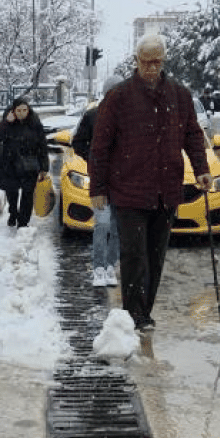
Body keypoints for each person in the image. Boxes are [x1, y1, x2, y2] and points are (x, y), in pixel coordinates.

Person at [89, 34, 214, 331]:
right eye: (146, 61)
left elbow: (193, 136)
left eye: (156, 61)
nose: (151, 67)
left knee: (156, 257)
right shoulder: (118, 97)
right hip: (129, 191)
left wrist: (202, 169)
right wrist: (98, 188)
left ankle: (145, 310)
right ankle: (134, 315)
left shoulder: (179, 96)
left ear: (164, 61)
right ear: (136, 60)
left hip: (166, 191)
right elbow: (100, 145)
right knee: (134, 255)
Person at [72, 75, 124, 287]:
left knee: (118, 226)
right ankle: (98, 268)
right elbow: (78, 142)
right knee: (102, 224)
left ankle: (111, 266)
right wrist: (92, 158)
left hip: (123, 182)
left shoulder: (129, 118)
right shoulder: (93, 115)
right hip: (100, 180)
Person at [0, 95, 50, 228]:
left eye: (24, 110)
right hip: (11, 164)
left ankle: (23, 222)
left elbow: (42, 145)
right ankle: (13, 213)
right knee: (12, 193)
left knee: (27, 194)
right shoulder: (7, 122)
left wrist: (44, 167)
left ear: (28, 110)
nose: (22, 113)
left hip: (30, 165)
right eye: (18, 110)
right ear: (13, 111)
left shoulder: (35, 123)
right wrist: (6, 123)